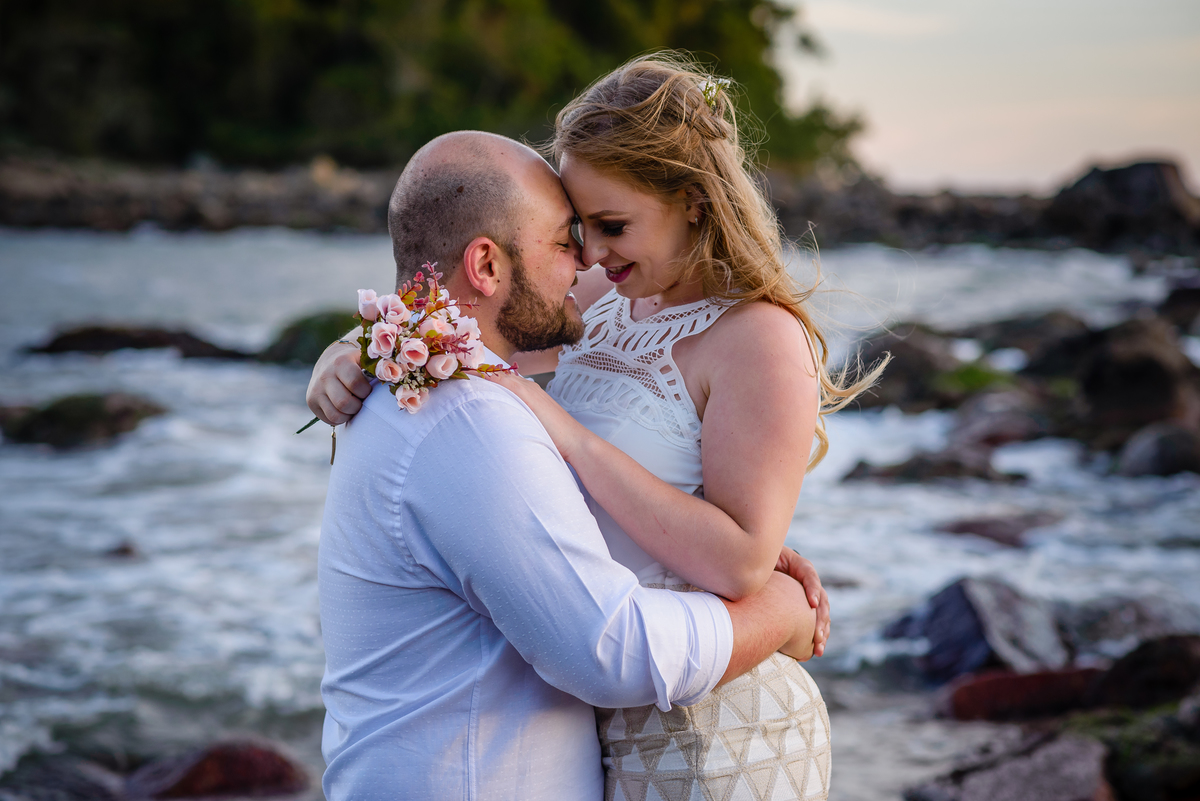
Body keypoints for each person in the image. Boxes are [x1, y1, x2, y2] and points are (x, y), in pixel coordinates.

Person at [316, 129, 822, 801]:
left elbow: (726, 548)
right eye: (570, 236)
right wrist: (782, 611)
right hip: (625, 713)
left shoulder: (421, 380)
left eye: (606, 227)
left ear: (691, 204)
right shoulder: (463, 408)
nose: (584, 260)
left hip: (712, 736)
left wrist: (371, 346)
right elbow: (610, 650)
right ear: (490, 266)